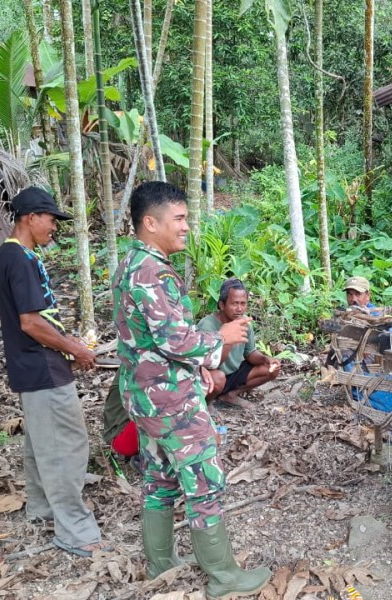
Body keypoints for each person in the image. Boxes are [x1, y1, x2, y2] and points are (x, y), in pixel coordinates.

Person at [112, 181, 271, 596]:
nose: (186, 227)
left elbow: (150, 341)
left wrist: (195, 367)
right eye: (179, 219)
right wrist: (224, 338)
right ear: (151, 222)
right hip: (170, 400)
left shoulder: (130, 262)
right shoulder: (153, 272)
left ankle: (160, 563)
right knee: (204, 480)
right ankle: (224, 576)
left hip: (145, 395)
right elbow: (175, 339)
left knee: (160, 476)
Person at [0, 186, 110, 557]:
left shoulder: (9, 256)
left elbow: (39, 319)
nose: (54, 227)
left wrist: (67, 342)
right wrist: (74, 348)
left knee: (41, 443)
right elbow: (30, 322)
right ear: (30, 218)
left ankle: (41, 509)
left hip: (35, 365)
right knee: (66, 446)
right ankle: (74, 530)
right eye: (51, 219)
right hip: (41, 367)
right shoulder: (21, 260)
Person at [198, 278, 281, 409]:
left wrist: (266, 359)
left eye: (243, 303)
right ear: (222, 305)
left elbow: (250, 353)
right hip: (212, 374)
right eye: (234, 303)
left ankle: (230, 395)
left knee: (271, 370)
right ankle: (207, 404)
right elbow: (211, 364)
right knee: (218, 377)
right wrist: (228, 339)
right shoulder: (207, 325)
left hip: (233, 372)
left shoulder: (244, 322)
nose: (239, 309)